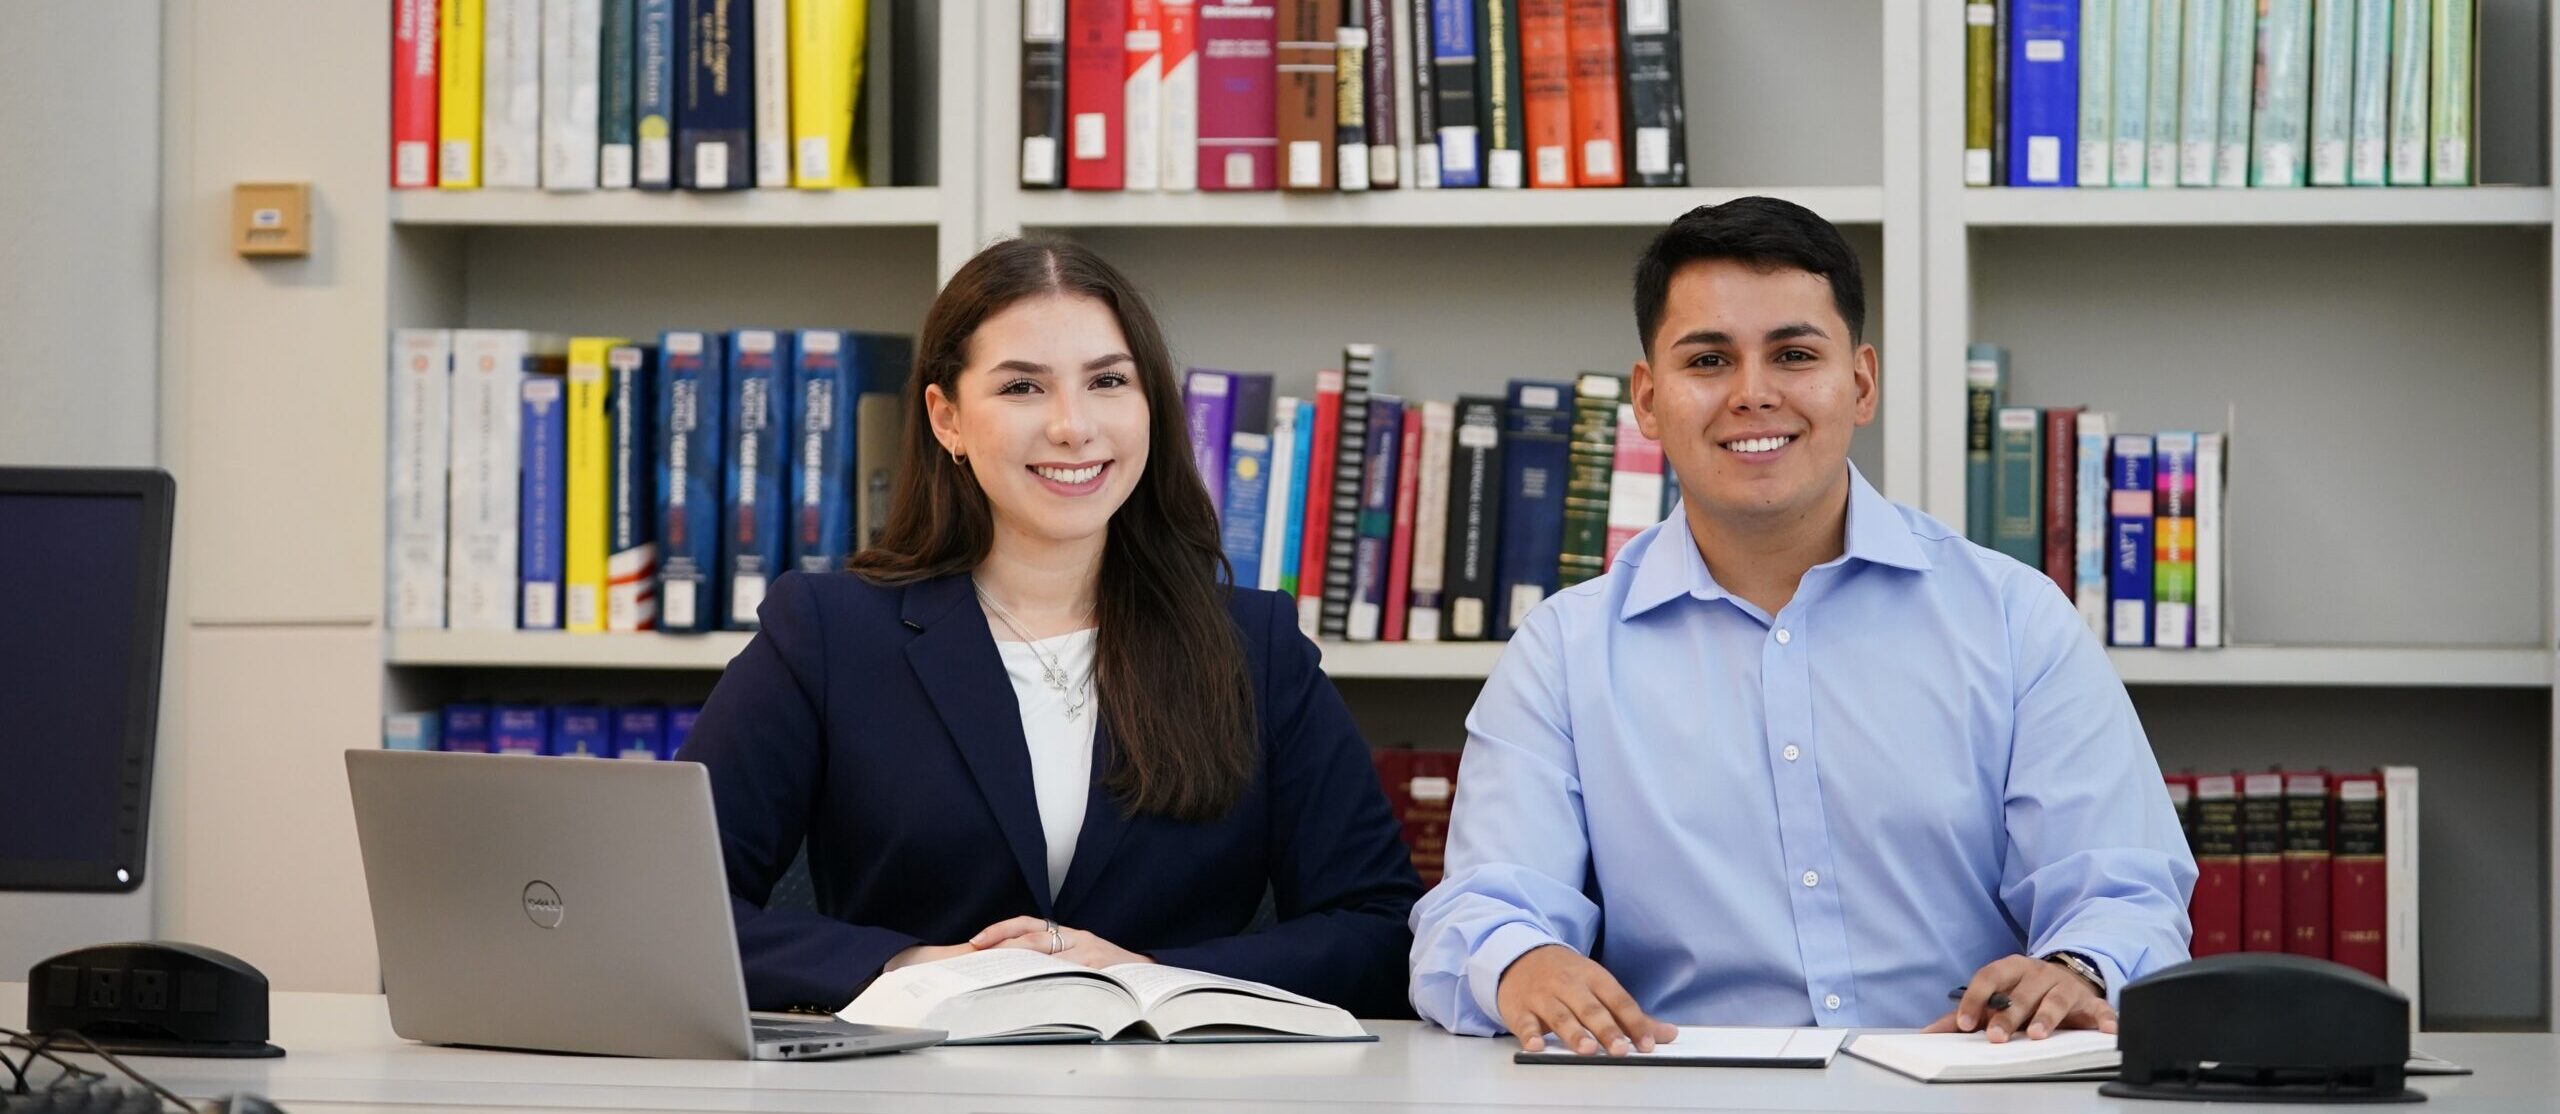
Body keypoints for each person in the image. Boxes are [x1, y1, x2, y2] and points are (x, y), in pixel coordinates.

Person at [1408, 197, 2196, 1056]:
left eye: (1793, 354)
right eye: (1708, 359)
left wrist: (2077, 969)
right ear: (1647, 399)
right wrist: (1523, 961)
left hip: (1958, 1091)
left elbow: (2125, 895)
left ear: (1859, 384)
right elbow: (1478, 912)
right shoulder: (1563, 653)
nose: (1753, 394)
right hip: (1679, 1101)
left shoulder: (2014, 621)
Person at [679, 237, 1421, 1016]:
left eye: (1108, 380)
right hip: (902, 1087)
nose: (1074, 426)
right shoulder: (828, 636)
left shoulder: (1254, 646)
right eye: (1024, 388)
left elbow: (1379, 931)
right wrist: (915, 967)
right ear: (947, 418)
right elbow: (674, 912)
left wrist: (1146, 974)